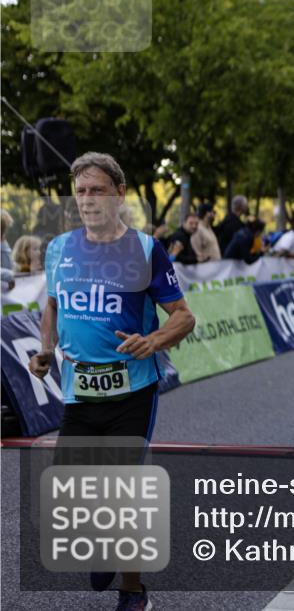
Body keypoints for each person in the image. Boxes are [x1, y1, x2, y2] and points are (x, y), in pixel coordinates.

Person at [28, 152, 195, 611]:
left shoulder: (144, 250)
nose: (87, 199)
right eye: (80, 191)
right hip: (79, 391)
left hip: (132, 391)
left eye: (98, 189)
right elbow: (53, 306)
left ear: (120, 194)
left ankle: (134, 589)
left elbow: (184, 317)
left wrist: (154, 340)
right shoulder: (59, 248)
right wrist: (46, 350)